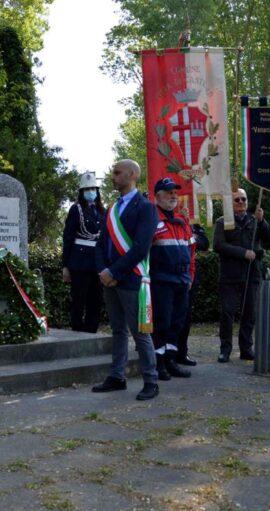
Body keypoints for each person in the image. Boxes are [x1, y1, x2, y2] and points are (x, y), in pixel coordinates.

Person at [92, 159, 159, 400]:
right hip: (109, 279)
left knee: (140, 332)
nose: (113, 176)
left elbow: (141, 247)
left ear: (132, 175)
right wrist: (103, 271)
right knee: (117, 331)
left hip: (131, 279)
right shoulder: (111, 209)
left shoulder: (146, 207)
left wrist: (114, 272)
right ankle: (117, 376)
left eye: (117, 172)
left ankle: (151, 380)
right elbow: (100, 244)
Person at [213, 188, 270, 362]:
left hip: (251, 273)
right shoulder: (223, 221)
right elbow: (218, 245)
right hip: (229, 275)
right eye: (237, 200)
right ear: (230, 203)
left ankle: (246, 348)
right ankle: (225, 349)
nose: (241, 202)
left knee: (250, 313)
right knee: (227, 312)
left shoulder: (255, 220)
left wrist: (262, 222)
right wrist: (243, 253)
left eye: (244, 199)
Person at [149, 177, 195, 380]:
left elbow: (191, 250)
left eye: (175, 192)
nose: (174, 196)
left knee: (177, 324)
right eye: (169, 192)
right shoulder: (151, 220)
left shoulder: (181, 221)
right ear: (157, 196)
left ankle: (170, 360)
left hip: (182, 280)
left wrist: (190, 275)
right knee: (162, 323)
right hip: (161, 280)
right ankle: (158, 364)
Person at [61, 172, 104, 333]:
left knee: (96, 299)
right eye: (87, 189)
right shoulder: (76, 209)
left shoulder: (102, 211)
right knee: (79, 299)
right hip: (79, 261)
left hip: (97, 261)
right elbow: (68, 237)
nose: (90, 191)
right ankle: (77, 330)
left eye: (93, 188)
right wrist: (65, 265)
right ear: (81, 192)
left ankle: (91, 329)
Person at [175, 212, 209, 365]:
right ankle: (167, 355)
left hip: (189, 274)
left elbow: (204, 242)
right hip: (168, 274)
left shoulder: (192, 220)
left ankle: (182, 352)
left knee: (185, 316)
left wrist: (191, 237)